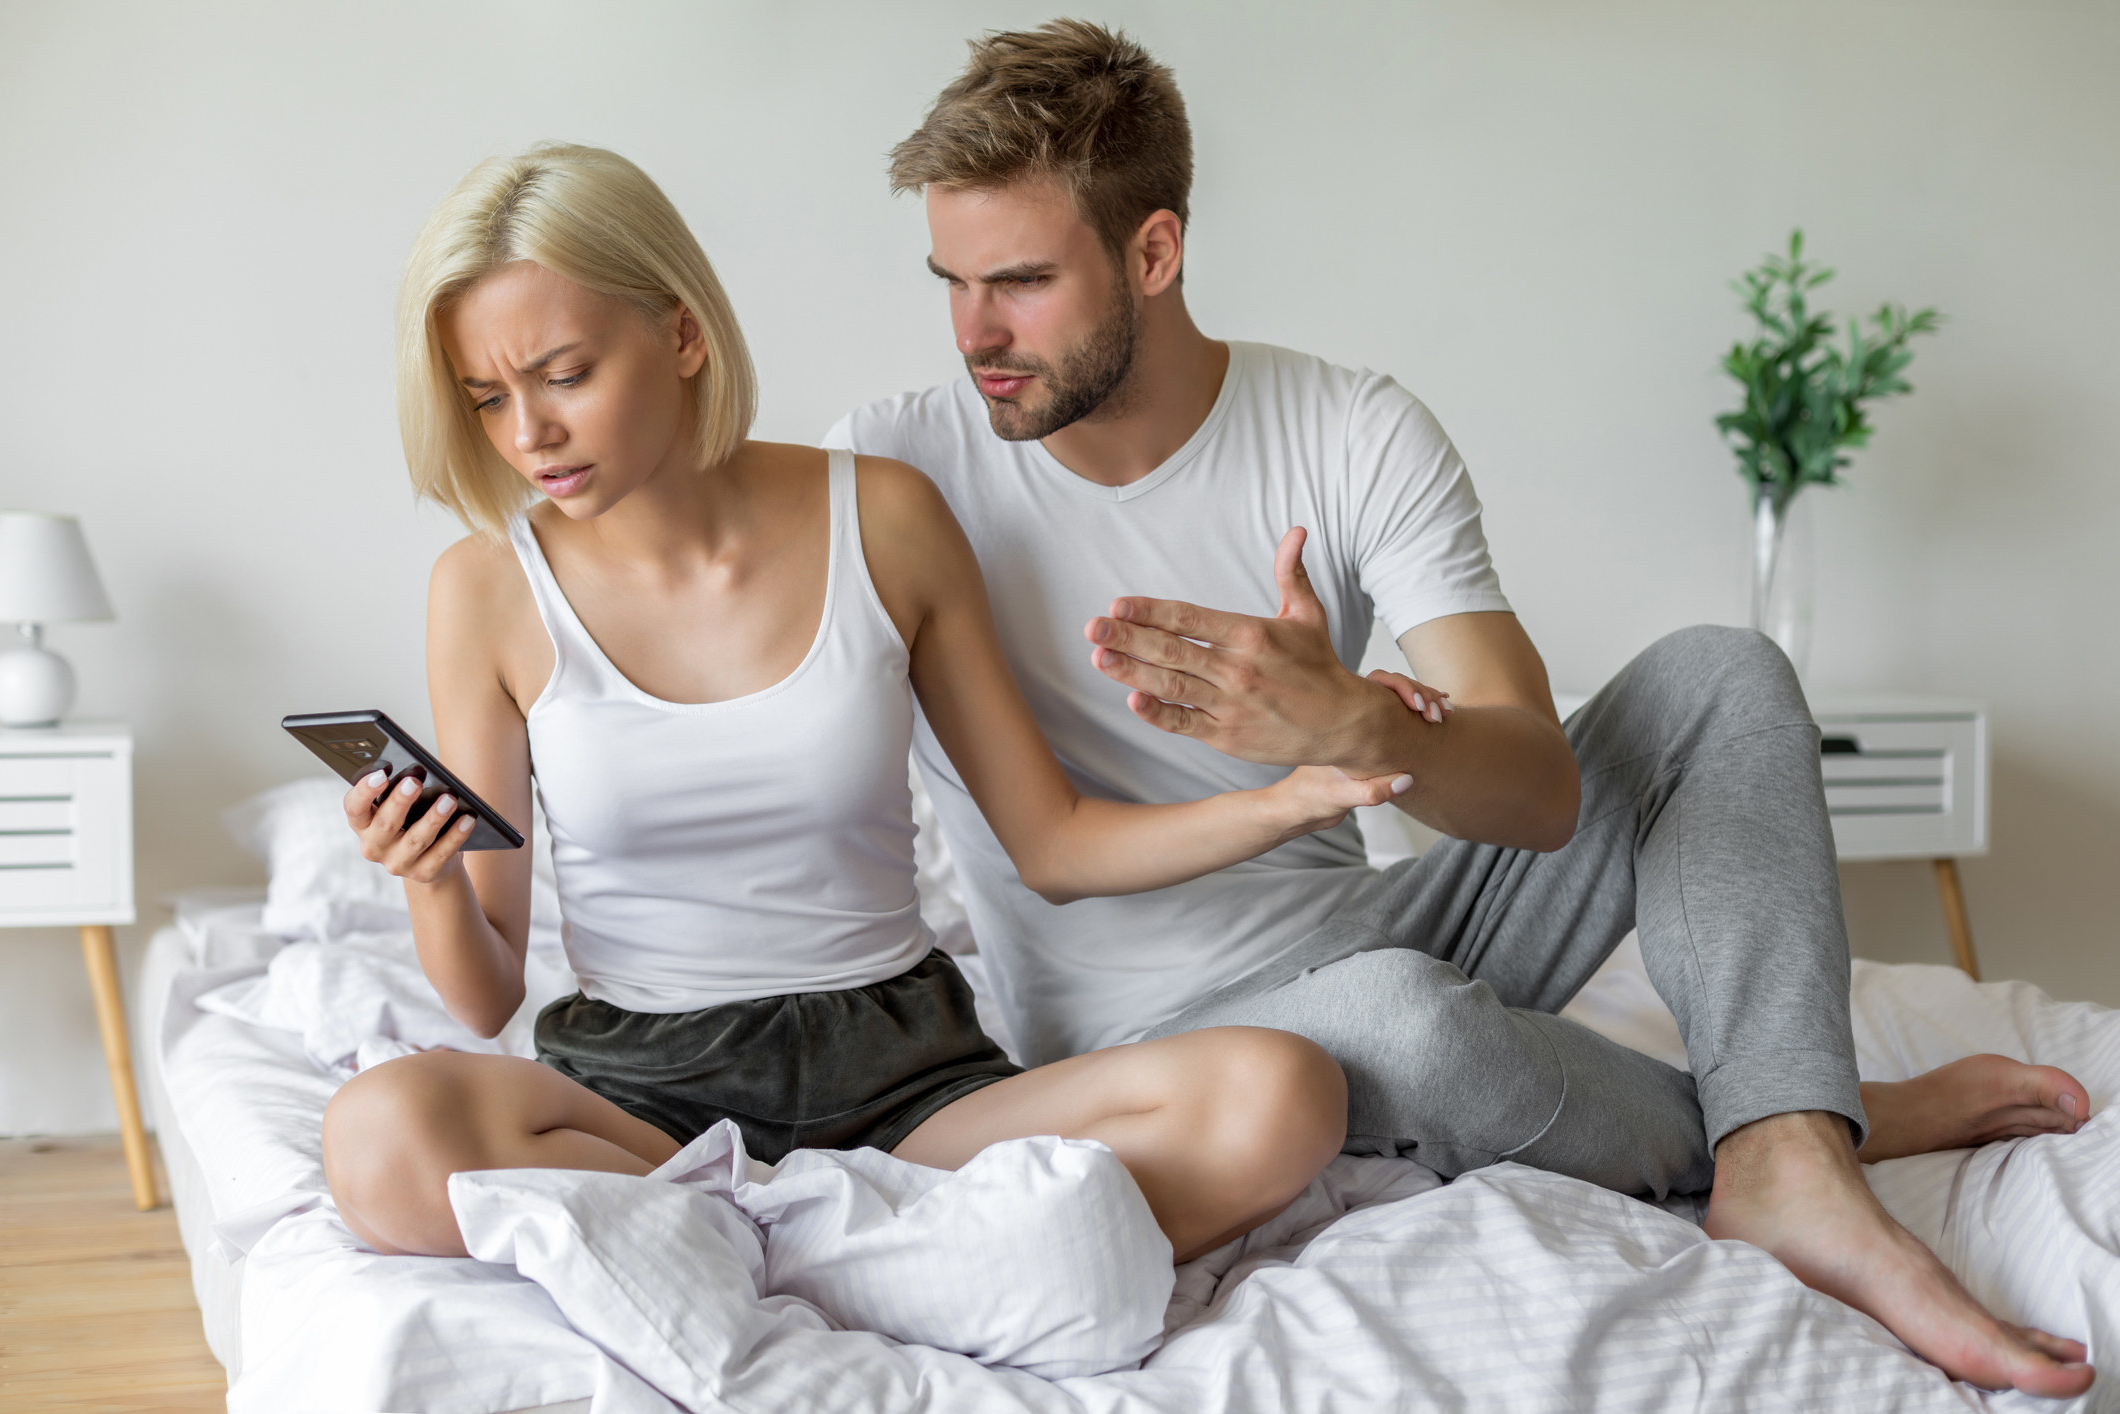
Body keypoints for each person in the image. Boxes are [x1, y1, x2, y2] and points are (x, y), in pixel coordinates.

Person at [825, 19, 2096, 1397]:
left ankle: (1786, 1139)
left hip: (1384, 922)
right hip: (1159, 1046)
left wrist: (1361, 731)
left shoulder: (1348, 428)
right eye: (949, 280)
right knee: (1409, 1019)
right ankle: (1786, 1113)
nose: (973, 333)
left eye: (1019, 281)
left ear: (1153, 251)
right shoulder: (894, 467)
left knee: (1722, 677)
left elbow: (1537, 789)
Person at [320, 142, 1390, 1267]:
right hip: (644, 1107)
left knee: (1281, 1091)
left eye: (564, 374)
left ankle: (757, 1249)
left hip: (906, 1084)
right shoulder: (485, 587)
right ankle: (910, 1260)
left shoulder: (882, 513)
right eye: (489, 398)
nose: (527, 433)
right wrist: (430, 874)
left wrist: (1296, 797)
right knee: (379, 1136)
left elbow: (1057, 843)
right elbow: (485, 995)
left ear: (682, 334)